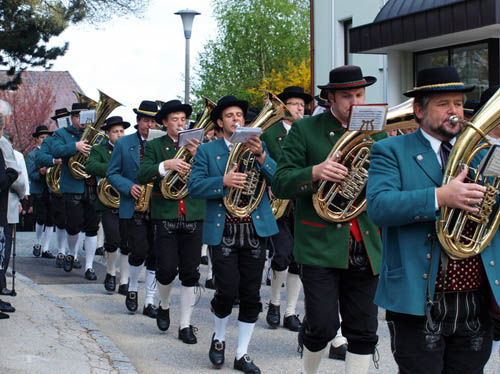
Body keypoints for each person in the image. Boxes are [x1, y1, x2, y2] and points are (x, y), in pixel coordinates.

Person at [366, 66, 500, 374]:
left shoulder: (480, 154)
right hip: (418, 297)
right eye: (443, 104)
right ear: (419, 111)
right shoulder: (389, 150)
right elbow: (379, 206)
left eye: (457, 103)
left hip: (473, 299)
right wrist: (441, 197)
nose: (454, 111)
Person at [272, 65, 384, 374]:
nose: (356, 102)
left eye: (360, 94)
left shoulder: (377, 130)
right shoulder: (306, 130)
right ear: (330, 97)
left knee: (363, 332)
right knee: (322, 326)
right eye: (347, 95)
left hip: (366, 242)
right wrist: (316, 172)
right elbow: (281, 182)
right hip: (320, 243)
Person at [189, 95, 278, 373]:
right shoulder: (208, 151)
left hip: (254, 228)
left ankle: (242, 353)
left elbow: (281, 181)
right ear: (219, 122)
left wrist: (263, 156)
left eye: (239, 114)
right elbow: (194, 187)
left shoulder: (258, 148)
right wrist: (223, 181)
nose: (236, 119)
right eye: (229, 115)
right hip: (224, 227)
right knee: (226, 290)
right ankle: (218, 338)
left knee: (251, 293)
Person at [137, 99, 205, 344]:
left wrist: (200, 158)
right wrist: (166, 164)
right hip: (165, 213)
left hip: (193, 213)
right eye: (175, 120)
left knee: (190, 273)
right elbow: (142, 173)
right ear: (164, 123)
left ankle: (185, 324)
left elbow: (212, 175)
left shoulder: (200, 145)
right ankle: (164, 304)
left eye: (183, 120)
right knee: (166, 271)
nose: (180, 123)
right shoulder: (155, 146)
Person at [261, 86, 311, 333]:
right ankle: (274, 302)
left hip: (302, 201)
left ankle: (291, 311)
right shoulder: (269, 134)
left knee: (299, 259)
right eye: (293, 103)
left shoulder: (309, 133)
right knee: (282, 253)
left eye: (302, 104)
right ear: (283, 107)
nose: (299, 108)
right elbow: (261, 163)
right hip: (277, 201)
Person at [106, 100, 158, 315]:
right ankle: (133, 287)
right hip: (134, 204)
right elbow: (112, 173)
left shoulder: (163, 143)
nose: (150, 125)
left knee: (155, 255)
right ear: (138, 122)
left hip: (159, 204)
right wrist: (129, 187)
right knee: (139, 251)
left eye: (154, 121)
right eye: (146, 120)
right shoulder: (123, 143)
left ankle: (150, 301)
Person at [51, 102, 99, 280]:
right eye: (78, 117)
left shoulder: (96, 135)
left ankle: (89, 266)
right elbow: (55, 150)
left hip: (92, 185)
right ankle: (72, 253)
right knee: (73, 226)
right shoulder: (62, 133)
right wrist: (75, 147)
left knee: (93, 227)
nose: (82, 120)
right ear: (72, 118)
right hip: (72, 186)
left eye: (86, 117)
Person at [85, 116, 129, 293]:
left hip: (126, 199)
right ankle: (111, 271)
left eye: (121, 131)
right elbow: (91, 166)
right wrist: (114, 169)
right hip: (107, 200)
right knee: (112, 239)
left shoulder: (129, 149)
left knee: (127, 242)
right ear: (107, 134)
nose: (119, 134)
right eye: (115, 132)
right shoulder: (99, 150)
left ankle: (124, 280)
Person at [36, 108, 74, 269]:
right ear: (57, 122)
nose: (64, 122)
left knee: (74, 222)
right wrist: (54, 160)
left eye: (67, 118)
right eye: (61, 119)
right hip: (58, 186)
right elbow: (40, 157)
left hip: (76, 185)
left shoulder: (77, 137)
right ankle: (61, 251)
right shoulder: (51, 140)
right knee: (60, 220)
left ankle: (73, 254)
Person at [27, 125, 55, 259]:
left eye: (46, 138)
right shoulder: (32, 155)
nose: (44, 140)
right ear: (36, 140)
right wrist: (40, 172)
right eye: (42, 137)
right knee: (40, 218)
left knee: (51, 219)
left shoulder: (53, 155)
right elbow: (31, 174)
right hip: (39, 189)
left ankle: (46, 247)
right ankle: (38, 243)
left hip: (51, 189)